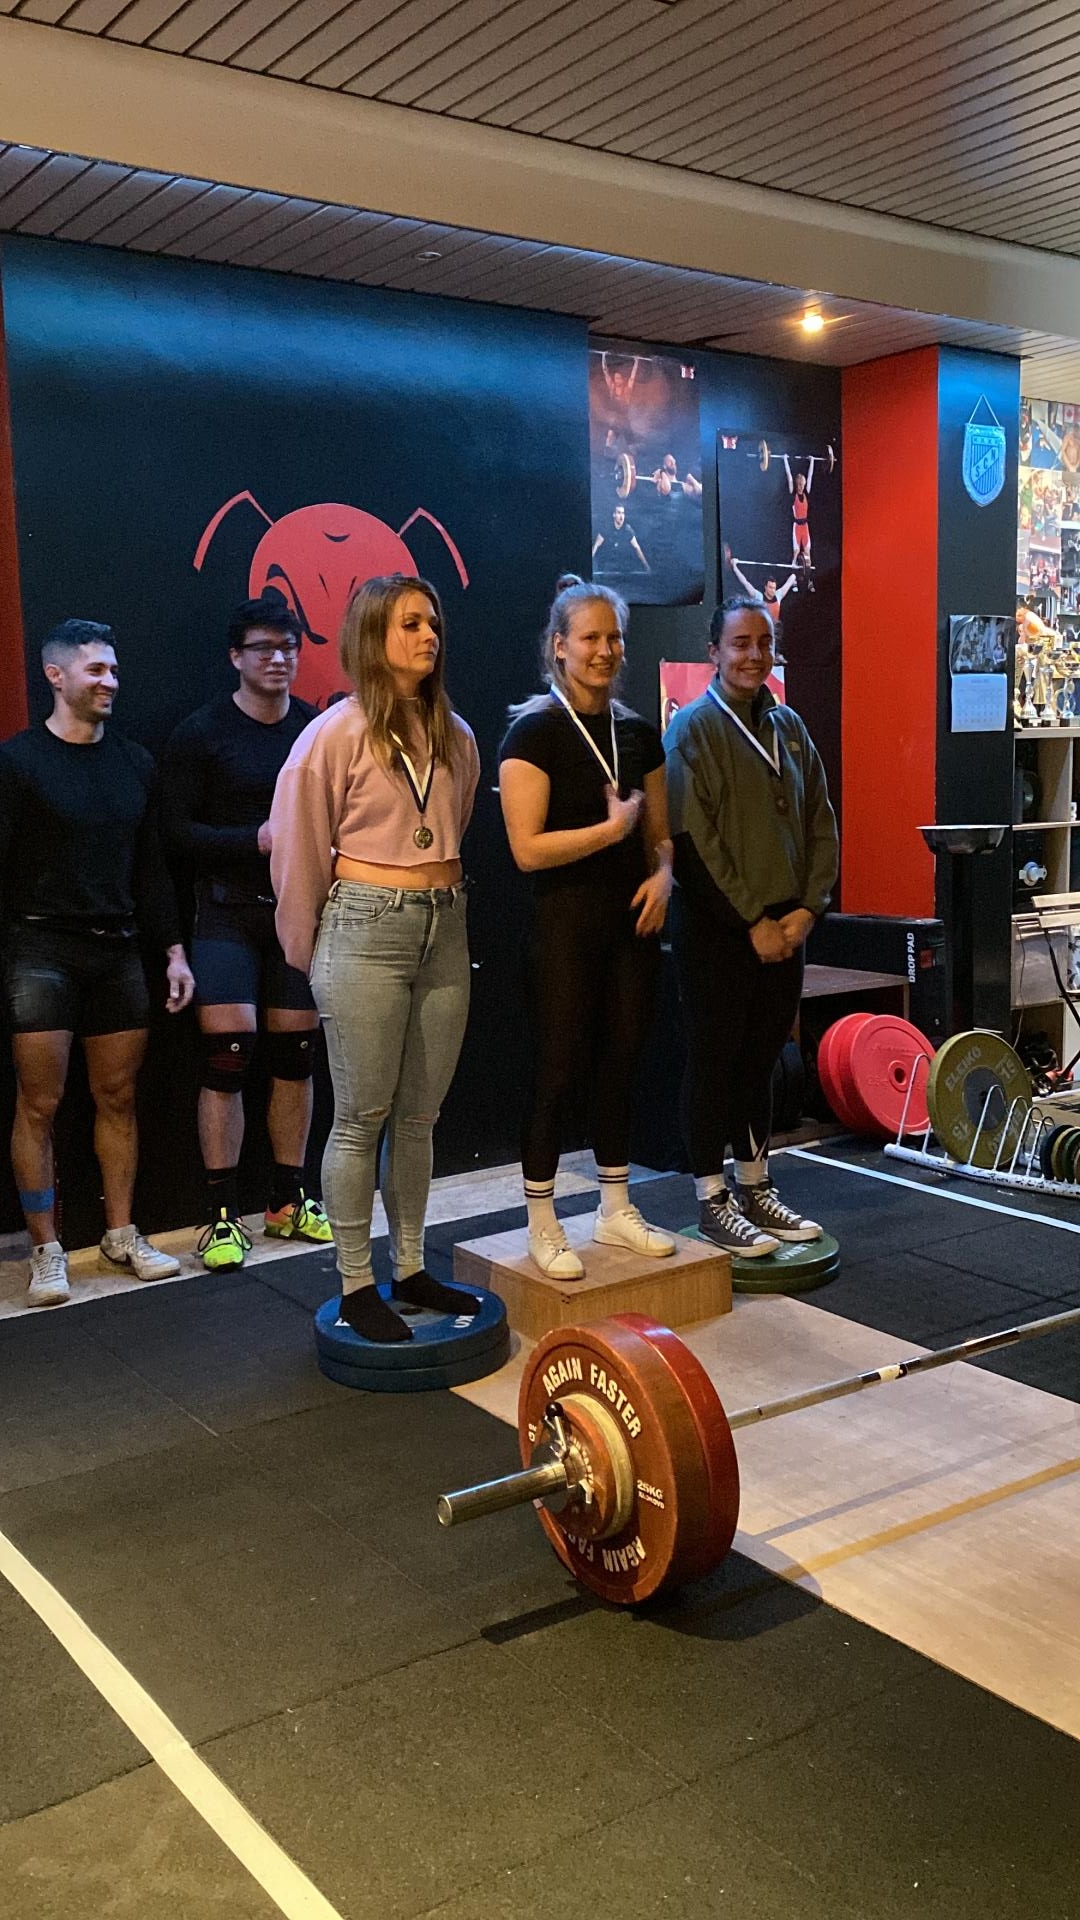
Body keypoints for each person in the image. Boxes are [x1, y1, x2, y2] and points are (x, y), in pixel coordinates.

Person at [270, 574, 480, 1344]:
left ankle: (412, 1266)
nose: (428, 636)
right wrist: (313, 953)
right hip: (366, 927)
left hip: (444, 926)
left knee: (419, 1116)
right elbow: (296, 851)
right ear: (371, 638)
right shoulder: (333, 734)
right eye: (410, 624)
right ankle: (357, 1280)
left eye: (432, 623)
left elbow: (452, 823)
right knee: (361, 1116)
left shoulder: (457, 735)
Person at [0, 619, 194, 1306]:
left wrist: (172, 951)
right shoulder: (18, 762)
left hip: (117, 951)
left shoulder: (135, 763)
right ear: (56, 676)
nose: (110, 681)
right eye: (95, 671)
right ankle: (46, 1250)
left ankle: (120, 1234)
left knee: (118, 1097)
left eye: (113, 670)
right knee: (40, 1102)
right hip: (39, 951)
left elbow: (152, 872)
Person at [499, 580, 675, 1278]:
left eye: (614, 638)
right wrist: (608, 833)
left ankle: (614, 1206)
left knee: (622, 1061)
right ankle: (543, 1222)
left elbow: (662, 835)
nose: (605, 651)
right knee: (558, 1067)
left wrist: (664, 874)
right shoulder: (532, 732)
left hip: (630, 924)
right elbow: (526, 850)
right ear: (559, 647)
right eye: (590, 638)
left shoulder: (637, 734)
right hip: (562, 925)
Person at [161, 598, 332, 1272]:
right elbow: (173, 835)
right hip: (226, 911)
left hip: (296, 911)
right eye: (264, 647)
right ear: (236, 656)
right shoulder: (201, 733)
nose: (279, 658)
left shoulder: (317, 730)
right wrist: (255, 840)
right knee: (228, 1056)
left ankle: (288, 1201)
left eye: (289, 646)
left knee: (295, 1055)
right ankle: (222, 1216)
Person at [664, 596, 838, 1257]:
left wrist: (806, 909)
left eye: (763, 643)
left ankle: (757, 1186)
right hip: (719, 931)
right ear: (714, 652)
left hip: (786, 929)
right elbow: (693, 841)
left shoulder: (789, 726)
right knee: (715, 1062)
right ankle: (712, 1199)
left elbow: (821, 819)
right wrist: (752, 923)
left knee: (761, 1062)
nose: (753, 656)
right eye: (739, 644)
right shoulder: (692, 729)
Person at [593, 503, 650, 575]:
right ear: (614, 515)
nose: (621, 516)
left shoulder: (628, 530)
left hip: (622, 566)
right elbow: (596, 545)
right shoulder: (606, 528)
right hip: (608, 566)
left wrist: (646, 566)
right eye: (619, 513)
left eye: (623, 513)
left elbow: (637, 548)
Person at [783, 454, 816, 572]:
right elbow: (789, 477)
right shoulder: (793, 494)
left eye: (803, 484)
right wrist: (785, 459)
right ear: (797, 485)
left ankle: (809, 580)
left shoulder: (807, 492)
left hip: (805, 527)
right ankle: (794, 581)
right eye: (799, 484)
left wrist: (812, 461)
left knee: (807, 553)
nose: (801, 486)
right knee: (796, 553)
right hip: (796, 527)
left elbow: (810, 475)